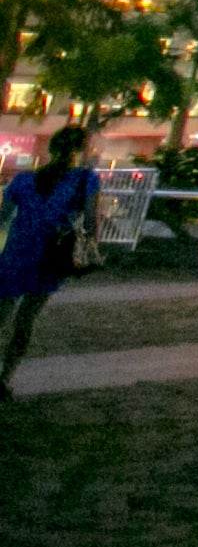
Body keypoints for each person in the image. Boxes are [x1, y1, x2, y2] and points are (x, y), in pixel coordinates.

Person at [0, 124, 102, 400]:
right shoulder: (85, 180)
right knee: (26, 320)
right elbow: (92, 220)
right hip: (50, 256)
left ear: (52, 148)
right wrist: (92, 249)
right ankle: (5, 377)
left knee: (2, 313)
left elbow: (2, 217)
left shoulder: (22, 181)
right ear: (80, 150)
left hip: (15, 253)